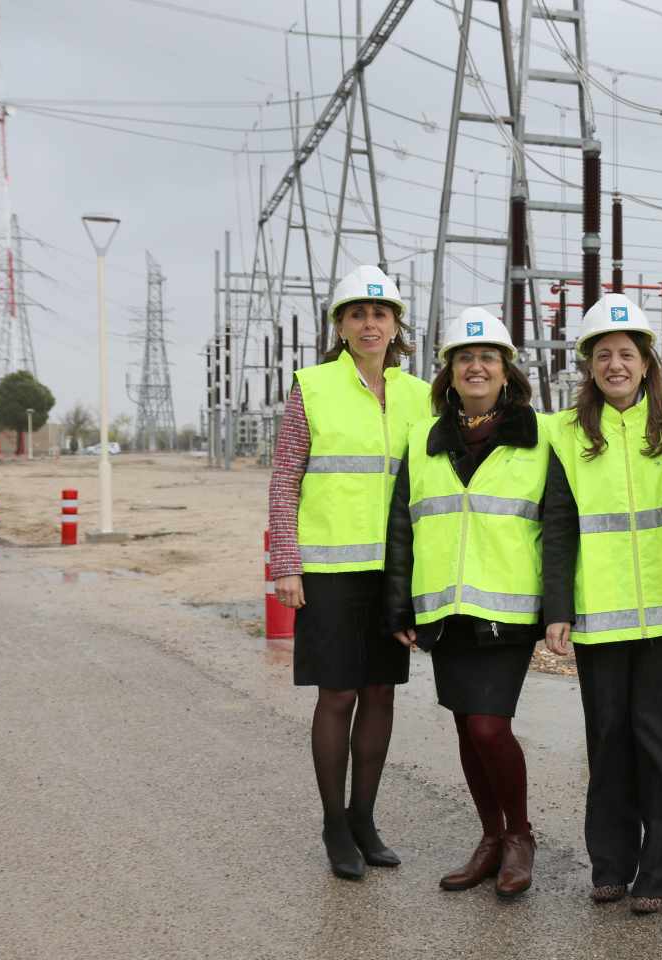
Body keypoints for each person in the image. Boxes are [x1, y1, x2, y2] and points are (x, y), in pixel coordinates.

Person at [267, 265, 431, 881]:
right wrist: (286, 564)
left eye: (380, 313)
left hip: (392, 573)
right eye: (357, 314)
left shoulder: (419, 394)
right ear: (340, 324)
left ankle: (365, 818)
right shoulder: (311, 386)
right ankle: (334, 824)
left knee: (381, 693)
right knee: (336, 695)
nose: (370, 324)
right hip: (328, 571)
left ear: (396, 324)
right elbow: (285, 478)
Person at [542, 293, 662, 915]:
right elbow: (557, 526)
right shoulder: (564, 432)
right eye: (603, 354)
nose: (615, 364)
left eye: (626, 354)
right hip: (600, 616)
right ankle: (611, 865)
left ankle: (658, 875)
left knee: (659, 744)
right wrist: (558, 608)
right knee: (607, 741)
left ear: (646, 361)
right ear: (588, 363)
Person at [383, 308, 547, 899]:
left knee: (487, 725)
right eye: (464, 358)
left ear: (507, 371)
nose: (476, 367)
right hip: (443, 610)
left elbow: (556, 526)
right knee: (464, 729)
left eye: (488, 358)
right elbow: (402, 526)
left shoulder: (539, 436)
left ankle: (520, 836)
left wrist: (557, 608)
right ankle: (489, 837)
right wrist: (400, 607)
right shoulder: (425, 442)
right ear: (448, 373)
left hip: (506, 610)